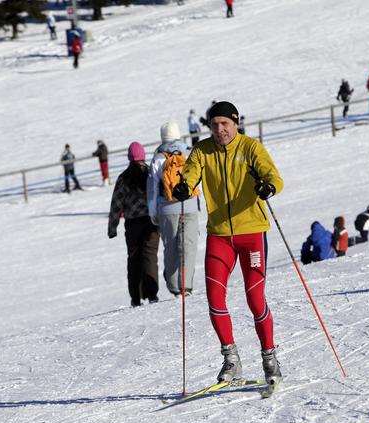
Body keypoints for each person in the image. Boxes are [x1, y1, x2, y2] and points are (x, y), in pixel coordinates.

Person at [173, 101, 284, 386]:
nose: (220, 130)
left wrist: (268, 186)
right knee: (214, 298)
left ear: (235, 123)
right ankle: (231, 359)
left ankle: (269, 359)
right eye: (214, 125)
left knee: (254, 297)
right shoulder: (202, 151)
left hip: (252, 233)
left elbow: (273, 176)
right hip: (220, 235)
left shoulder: (250, 148)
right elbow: (191, 172)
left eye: (225, 124)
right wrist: (185, 185)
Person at [148, 122, 201, 298]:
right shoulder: (188, 151)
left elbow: (153, 188)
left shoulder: (158, 157)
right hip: (190, 204)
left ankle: (174, 287)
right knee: (189, 246)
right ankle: (187, 286)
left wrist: (153, 212)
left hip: (167, 207)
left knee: (170, 246)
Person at [108, 142, 160, 307]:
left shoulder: (124, 178)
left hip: (132, 225)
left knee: (134, 258)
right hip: (152, 221)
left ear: (130, 157)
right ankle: (152, 294)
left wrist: (112, 227)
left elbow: (116, 204)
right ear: (143, 155)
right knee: (150, 256)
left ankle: (135, 298)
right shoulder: (151, 174)